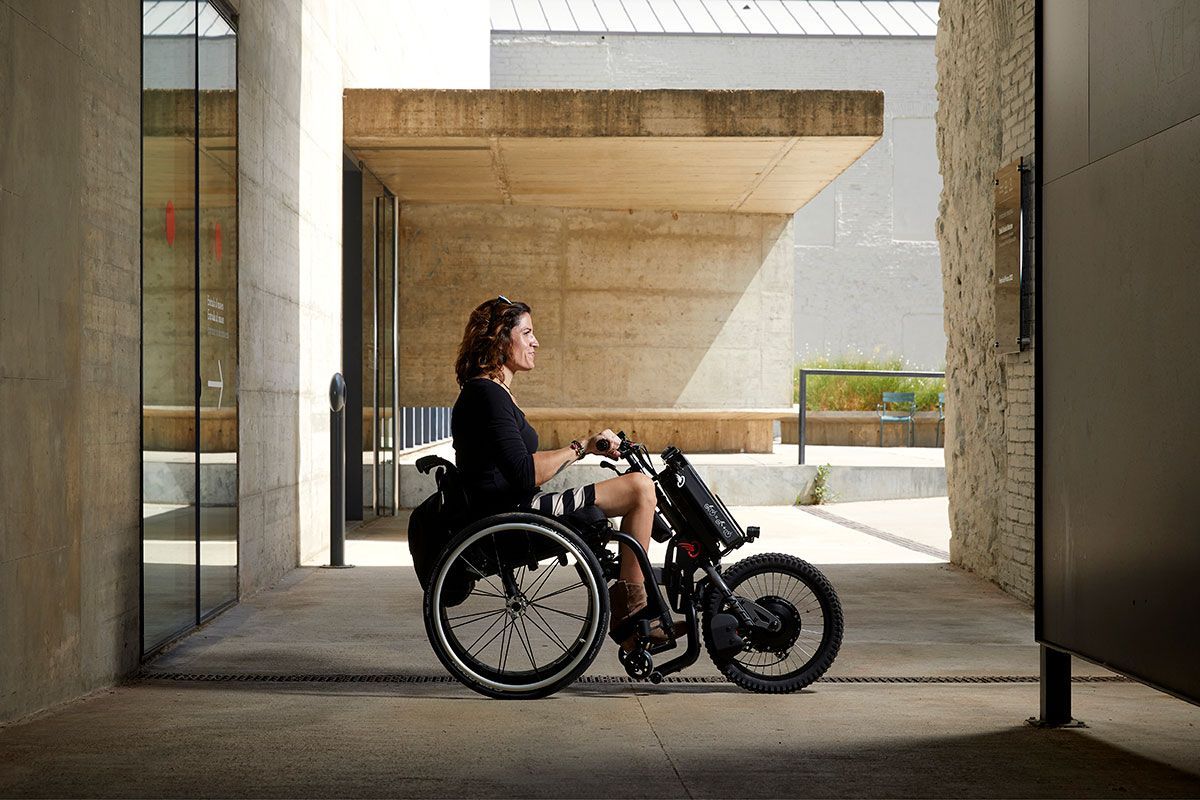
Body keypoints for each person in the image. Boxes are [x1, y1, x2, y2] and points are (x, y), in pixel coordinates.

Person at [451, 295, 678, 650]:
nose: (535, 342)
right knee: (639, 488)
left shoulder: (490, 393)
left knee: (637, 490)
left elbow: (519, 462)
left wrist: (585, 447)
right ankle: (632, 613)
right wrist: (580, 447)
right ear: (499, 337)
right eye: (526, 333)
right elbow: (525, 472)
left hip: (513, 509)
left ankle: (633, 608)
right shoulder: (487, 395)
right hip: (512, 516)